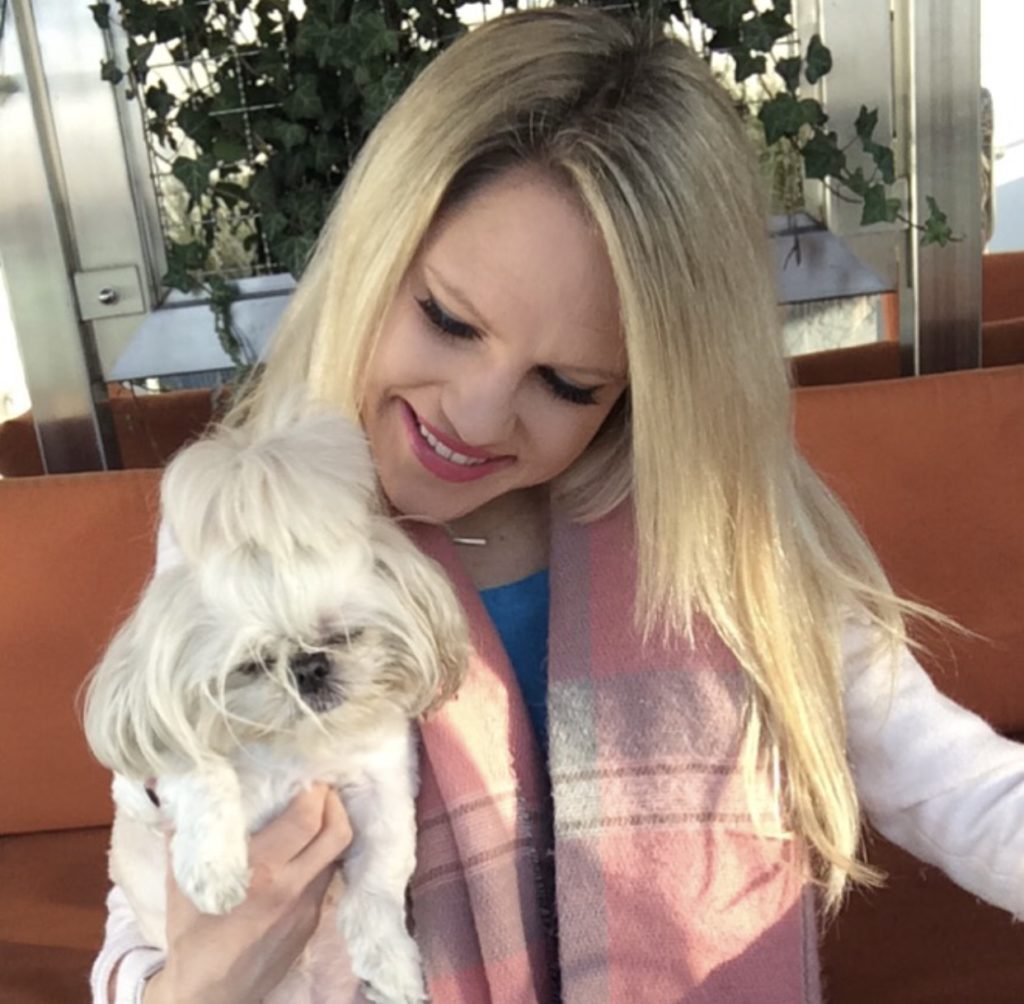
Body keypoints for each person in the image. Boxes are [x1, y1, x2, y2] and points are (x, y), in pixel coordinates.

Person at [92, 7, 1024, 1003]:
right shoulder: (245, 520)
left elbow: (960, 788)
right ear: (375, 249)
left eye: (569, 383)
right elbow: (144, 910)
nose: (476, 413)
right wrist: (203, 974)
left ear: (646, 388)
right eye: (449, 320)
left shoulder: (723, 532)